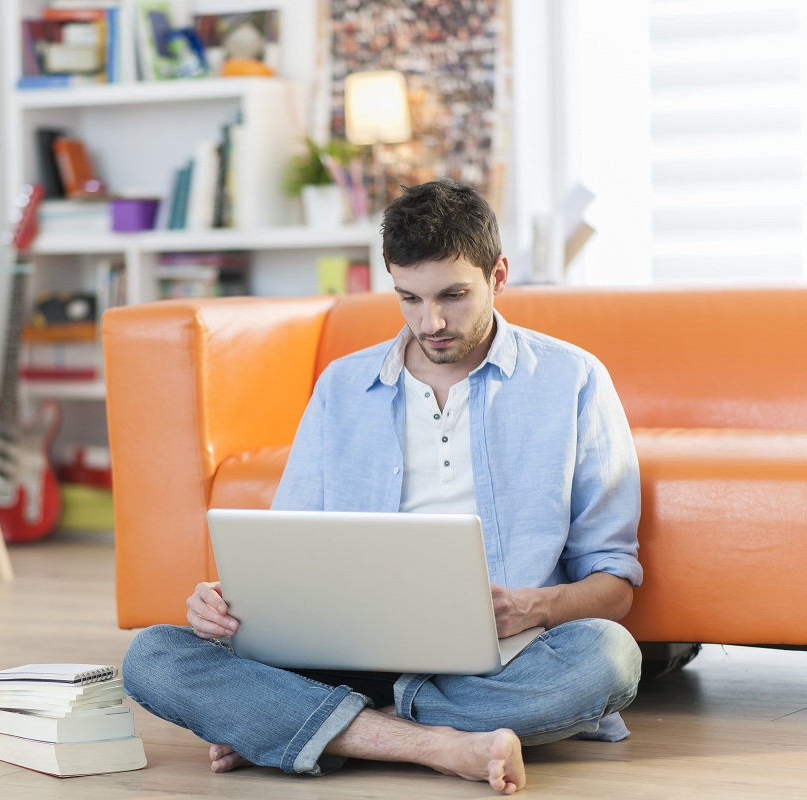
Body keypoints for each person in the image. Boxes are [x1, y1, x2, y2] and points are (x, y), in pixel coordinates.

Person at [122, 179, 643, 795]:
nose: (434, 322)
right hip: (343, 655)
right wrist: (227, 602)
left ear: (498, 275)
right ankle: (437, 745)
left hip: (502, 660)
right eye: (410, 299)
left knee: (608, 657)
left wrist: (538, 605)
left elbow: (614, 587)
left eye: (455, 295)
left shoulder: (572, 379)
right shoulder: (342, 386)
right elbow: (288, 551)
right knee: (153, 654)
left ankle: (307, 727)